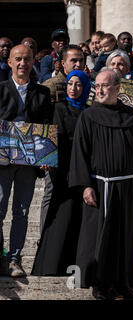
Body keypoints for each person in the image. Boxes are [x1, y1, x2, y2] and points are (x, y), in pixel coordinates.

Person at [68, 69, 133, 300]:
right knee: (101, 240)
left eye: (105, 85)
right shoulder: (88, 116)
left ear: (117, 88)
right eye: (97, 85)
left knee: (127, 238)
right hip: (101, 188)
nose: (99, 90)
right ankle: (101, 285)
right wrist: (85, 186)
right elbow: (80, 153)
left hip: (129, 187)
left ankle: (124, 285)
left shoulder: (132, 116)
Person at [0, 45, 52, 277]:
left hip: (28, 164)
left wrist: (46, 156)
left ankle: (14, 259)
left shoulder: (42, 93)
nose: (23, 63)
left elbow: (47, 127)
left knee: (21, 212)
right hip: (2, 162)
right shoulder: (0, 90)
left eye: (27, 59)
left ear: (33, 62)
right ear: (9, 62)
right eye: (18, 59)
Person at [31, 70, 91, 276]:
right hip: (62, 172)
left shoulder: (90, 112)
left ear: (85, 88)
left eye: (78, 85)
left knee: (79, 218)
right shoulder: (57, 108)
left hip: (83, 173)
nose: (73, 88)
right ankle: (50, 266)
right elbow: (52, 138)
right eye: (70, 84)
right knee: (60, 218)